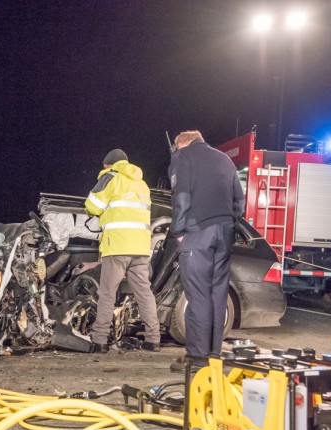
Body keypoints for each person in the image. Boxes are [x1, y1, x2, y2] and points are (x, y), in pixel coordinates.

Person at [168, 130, 245, 365]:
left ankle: (197, 356)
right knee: (217, 294)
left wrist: (179, 231)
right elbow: (239, 202)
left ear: (182, 143)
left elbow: (180, 196)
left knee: (198, 294)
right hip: (224, 233)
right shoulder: (225, 159)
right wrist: (228, 225)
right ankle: (214, 353)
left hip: (197, 233)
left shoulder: (183, 157)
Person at [85, 149, 160, 353]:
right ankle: (153, 339)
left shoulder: (110, 178)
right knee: (144, 293)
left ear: (109, 165)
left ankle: (99, 340)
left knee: (107, 293)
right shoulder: (142, 184)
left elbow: (92, 207)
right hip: (141, 247)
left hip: (117, 246)